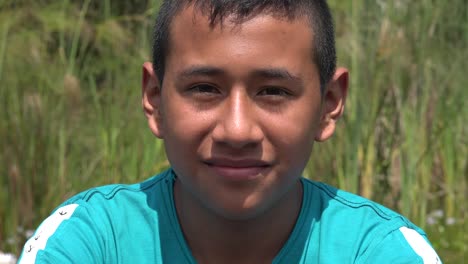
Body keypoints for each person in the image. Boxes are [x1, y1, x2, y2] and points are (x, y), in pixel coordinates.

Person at [19, 0, 442, 263]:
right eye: (204, 88)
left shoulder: (380, 252)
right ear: (154, 98)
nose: (237, 130)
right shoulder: (90, 242)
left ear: (328, 104)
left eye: (274, 91)